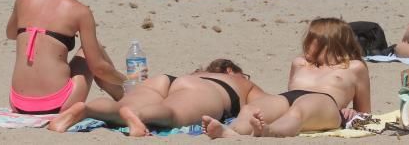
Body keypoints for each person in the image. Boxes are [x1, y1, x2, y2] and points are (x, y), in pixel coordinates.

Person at [7, 0, 125, 115]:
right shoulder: (79, 11)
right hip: (57, 105)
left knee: (90, 51)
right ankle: (125, 96)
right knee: (91, 51)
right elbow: (99, 69)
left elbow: (10, 33)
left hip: (18, 104)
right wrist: (125, 79)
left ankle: (125, 96)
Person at [202, 17, 371, 138]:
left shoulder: (354, 67)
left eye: (311, 40)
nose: (305, 44)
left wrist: (353, 113)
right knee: (251, 109)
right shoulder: (300, 63)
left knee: (299, 112)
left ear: (327, 42)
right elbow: (291, 94)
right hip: (290, 97)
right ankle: (231, 132)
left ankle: (270, 132)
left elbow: (365, 113)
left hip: (326, 103)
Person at [49, 58, 266, 135]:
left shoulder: (196, 74)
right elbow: (269, 104)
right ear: (230, 70)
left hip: (165, 79)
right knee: (171, 113)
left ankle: (85, 109)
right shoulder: (239, 81)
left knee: (124, 104)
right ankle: (138, 116)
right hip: (208, 91)